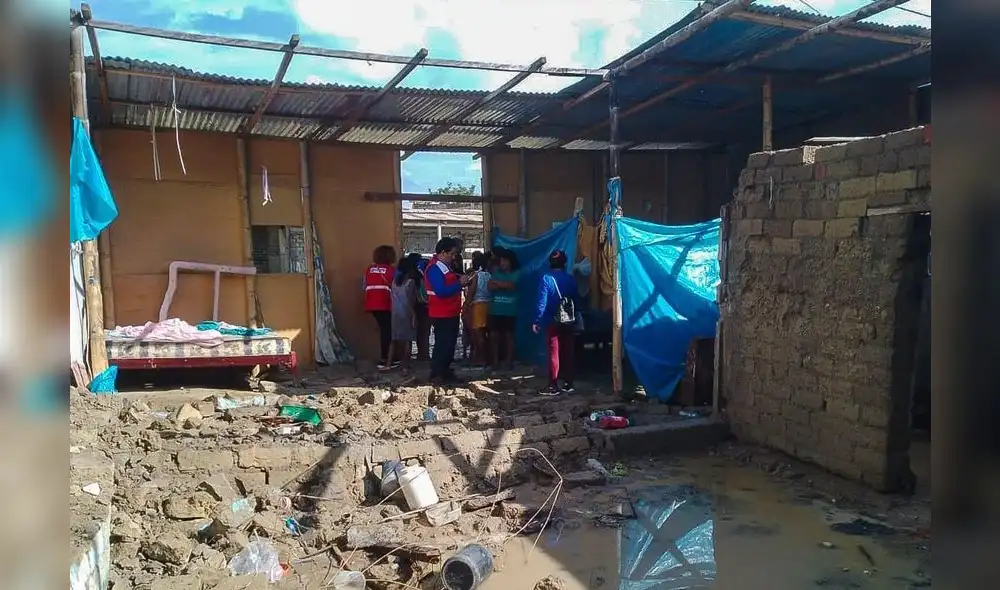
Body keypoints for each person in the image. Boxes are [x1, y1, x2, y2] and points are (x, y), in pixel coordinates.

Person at [532, 249, 580, 395]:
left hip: (552, 320)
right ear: (565, 263)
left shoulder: (547, 279)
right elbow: (576, 300)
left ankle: (553, 386)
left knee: (554, 352)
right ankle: (568, 383)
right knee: (568, 351)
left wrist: (537, 320)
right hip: (569, 320)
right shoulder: (571, 279)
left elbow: (542, 303)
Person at [424, 237, 470, 383]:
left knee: (449, 344)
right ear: (443, 253)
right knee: (442, 344)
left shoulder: (444, 267)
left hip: (450, 312)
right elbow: (441, 291)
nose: (453, 257)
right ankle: (438, 373)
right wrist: (459, 284)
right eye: (452, 254)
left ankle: (445, 371)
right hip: (441, 313)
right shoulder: (434, 268)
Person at [364, 245, 396, 369]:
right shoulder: (391, 270)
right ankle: (386, 359)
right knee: (387, 331)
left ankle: (386, 357)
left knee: (384, 330)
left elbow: (364, 285)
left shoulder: (369, 270)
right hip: (385, 303)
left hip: (371, 304)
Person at [384, 257, 418, 372]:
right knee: (407, 340)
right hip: (406, 313)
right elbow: (410, 301)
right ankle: (405, 365)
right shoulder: (410, 282)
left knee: (394, 339)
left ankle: (388, 364)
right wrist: (413, 315)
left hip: (395, 313)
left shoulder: (394, 282)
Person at [488, 248, 519, 371]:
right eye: (501, 261)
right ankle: (495, 361)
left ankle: (509, 360)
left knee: (509, 336)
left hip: (510, 311)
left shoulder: (517, 273)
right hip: (495, 310)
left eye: (505, 261)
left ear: (511, 262)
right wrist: (504, 284)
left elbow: (512, 286)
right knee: (494, 336)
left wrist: (498, 284)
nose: (502, 263)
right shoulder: (495, 272)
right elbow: (489, 286)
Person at [464, 251, 492, 367]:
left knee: (477, 334)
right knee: (485, 333)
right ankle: (486, 357)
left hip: (477, 306)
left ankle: (481, 358)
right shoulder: (489, 275)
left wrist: (465, 305)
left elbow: (471, 293)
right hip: (488, 305)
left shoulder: (475, 276)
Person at [406, 252, 431, 361]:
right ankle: (423, 354)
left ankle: (408, 355)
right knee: (425, 332)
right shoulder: (423, 277)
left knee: (411, 332)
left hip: (411, 306)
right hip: (424, 306)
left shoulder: (408, 277)